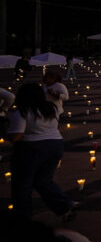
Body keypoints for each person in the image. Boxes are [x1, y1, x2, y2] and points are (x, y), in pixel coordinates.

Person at [7, 83, 77, 219]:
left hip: (31, 149)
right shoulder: (51, 109)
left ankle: (22, 217)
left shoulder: (22, 113)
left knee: (22, 185)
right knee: (43, 181)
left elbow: (16, 137)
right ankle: (65, 205)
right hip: (55, 145)